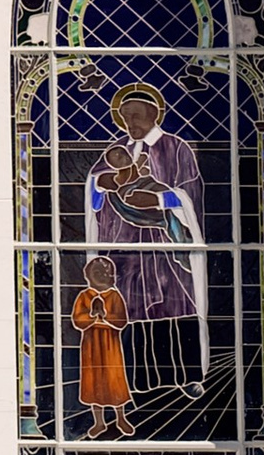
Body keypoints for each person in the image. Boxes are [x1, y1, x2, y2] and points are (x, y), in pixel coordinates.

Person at [84, 83, 209, 401]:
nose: (131, 123)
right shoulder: (114, 152)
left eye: (137, 115)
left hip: (166, 251)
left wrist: (157, 200)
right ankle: (135, 381)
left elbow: (189, 195)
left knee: (176, 307)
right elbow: (95, 192)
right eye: (125, 117)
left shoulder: (177, 148)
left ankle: (187, 377)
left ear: (155, 114)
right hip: (127, 251)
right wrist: (101, 185)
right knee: (131, 312)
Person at [72, 254, 133, 437]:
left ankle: (121, 418)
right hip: (91, 345)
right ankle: (99, 422)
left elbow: (122, 320)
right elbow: (77, 319)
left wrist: (105, 315)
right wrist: (91, 315)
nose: (101, 276)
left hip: (110, 345)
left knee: (115, 381)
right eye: (97, 272)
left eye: (106, 272)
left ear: (112, 276)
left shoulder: (114, 296)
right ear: (88, 275)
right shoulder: (84, 296)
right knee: (94, 382)